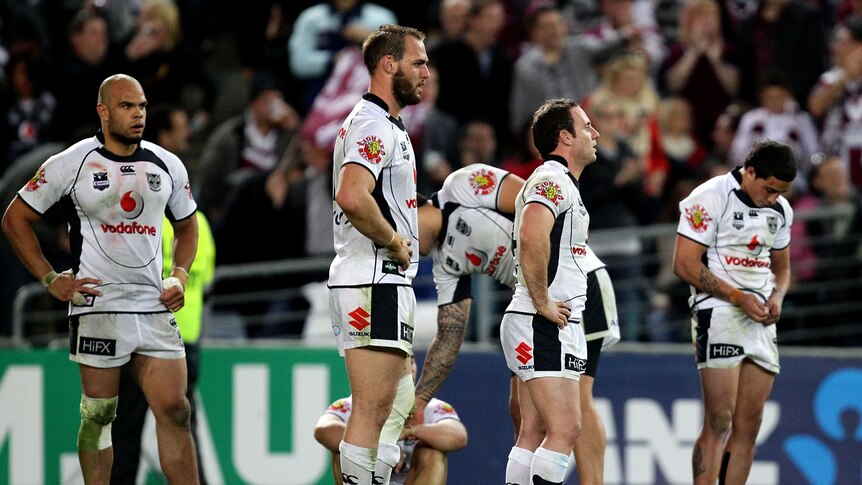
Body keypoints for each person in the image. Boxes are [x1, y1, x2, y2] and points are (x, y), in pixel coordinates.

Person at [1, 74, 200, 484]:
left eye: (142, 106)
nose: (138, 114)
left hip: (152, 305)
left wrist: (178, 275)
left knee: (176, 410)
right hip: (98, 307)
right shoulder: (71, 162)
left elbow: (187, 226)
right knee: (99, 415)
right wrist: (50, 278)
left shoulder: (167, 165)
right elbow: (15, 218)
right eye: (127, 107)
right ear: (103, 111)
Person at [417, 161, 620, 485]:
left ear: (415, 205)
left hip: (578, 284)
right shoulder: (445, 264)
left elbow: (537, 204)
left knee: (575, 401)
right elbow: (450, 334)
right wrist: (419, 402)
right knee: (522, 412)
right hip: (531, 305)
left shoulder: (462, 184)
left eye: (400, 231)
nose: (402, 245)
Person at [327, 24, 429, 485]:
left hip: (379, 279)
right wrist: (393, 241)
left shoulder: (387, 125)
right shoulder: (371, 123)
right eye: (418, 62)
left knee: (393, 403)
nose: (426, 72)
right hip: (373, 276)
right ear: (389, 65)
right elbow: (352, 194)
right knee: (372, 408)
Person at [672, 140, 796, 484]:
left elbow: (783, 270)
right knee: (720, 419)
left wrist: (778, 298)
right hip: (719, 310)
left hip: (759, 318)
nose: (773, 198)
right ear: (750, 171)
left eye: (780, 193)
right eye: (769, 189)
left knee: (750, 424)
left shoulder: (781, 209)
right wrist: (737, 297)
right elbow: (683, 264)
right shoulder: (710, 196)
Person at [110, 104, 214, 484]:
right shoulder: (198, 225)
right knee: (182, 424)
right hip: (188, 341)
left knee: (126, 430)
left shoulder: (143, 224)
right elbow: (207, 280)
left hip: (142, 335)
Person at [500, 98, 600, 484]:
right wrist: (542, 300)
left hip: (541, 318)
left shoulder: (559, 183)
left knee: (534, 432)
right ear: (565, 136)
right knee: (566, 429)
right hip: (542, 319)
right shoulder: (552, 180)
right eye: (587, 126)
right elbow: (530, 234)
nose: (595, 134)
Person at [313, 356, 468, 485]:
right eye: (399, 362)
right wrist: (382, 447)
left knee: (432, 451)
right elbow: (323, 431)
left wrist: (410, 431)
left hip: (413, 480)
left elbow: (458, 437)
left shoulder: (433, 407)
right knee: (342, 449)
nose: (406, 368)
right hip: (367, 480)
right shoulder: (352, 405)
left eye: (410, 362)